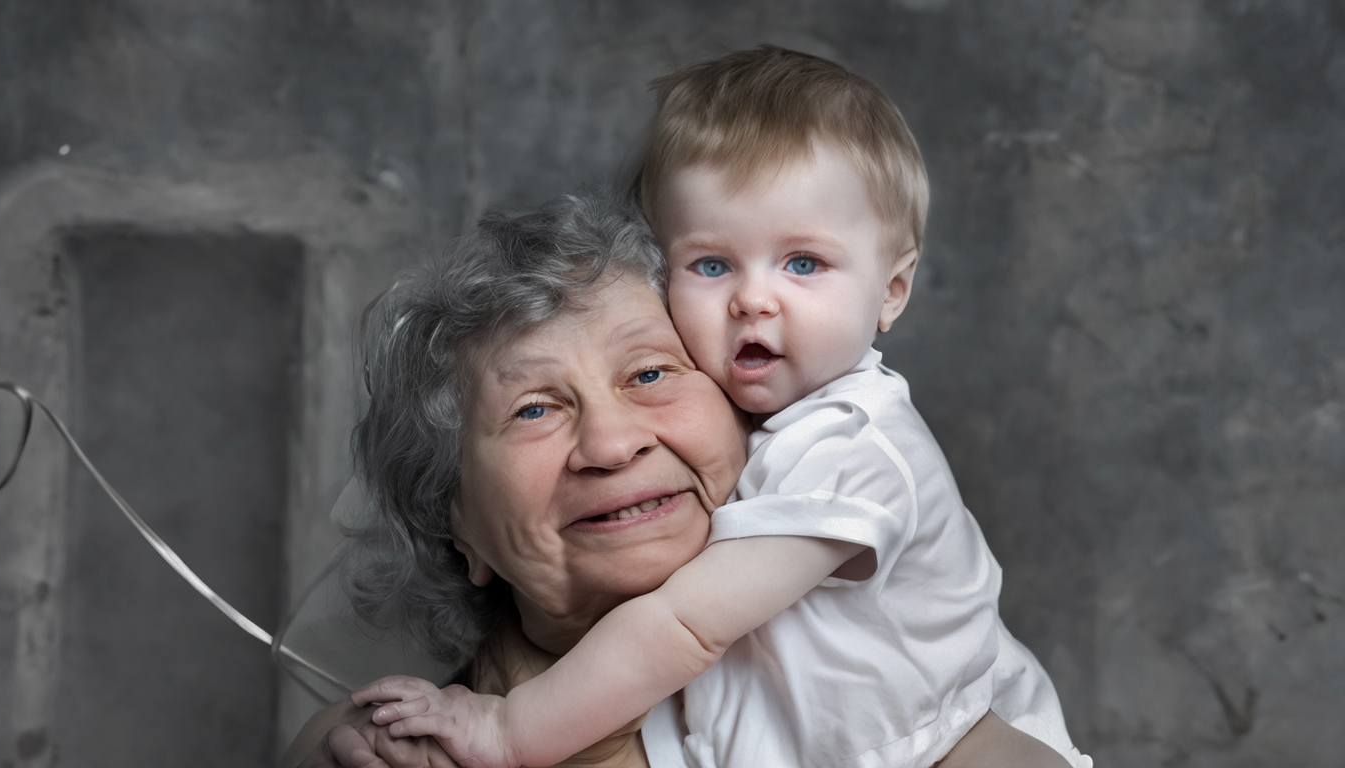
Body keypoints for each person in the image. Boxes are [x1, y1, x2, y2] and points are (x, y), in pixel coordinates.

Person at [358, 48, 1092, 768]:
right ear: (455, 523)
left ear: (893, 291)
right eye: (711, 265)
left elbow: (683, 626)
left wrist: (512, 734)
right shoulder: (773, 419)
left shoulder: (854, 446)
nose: (753, 300)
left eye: (648, 373)